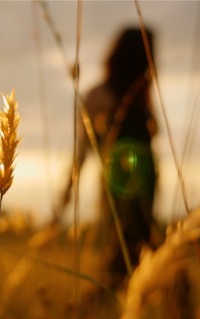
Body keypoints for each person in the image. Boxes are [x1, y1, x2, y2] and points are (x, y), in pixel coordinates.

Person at [55, 27, 159, 287]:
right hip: (119, 186)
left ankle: (121, 312)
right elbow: (83, 149)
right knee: (125, 251)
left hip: (137, 183)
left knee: (138, 250)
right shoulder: (103, 96)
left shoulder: (141, 96)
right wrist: (67, 193)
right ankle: (109, 314)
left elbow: (82, 151)